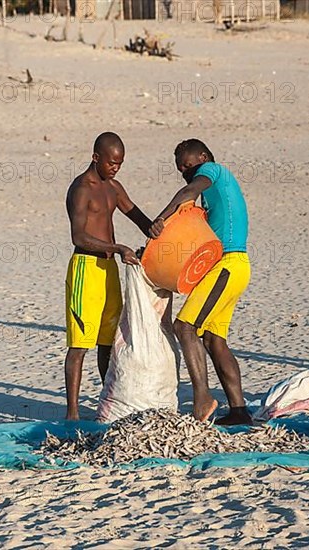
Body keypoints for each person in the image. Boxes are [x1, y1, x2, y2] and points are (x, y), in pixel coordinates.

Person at [149, 139, 252, 425]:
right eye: (180, 168)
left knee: (185, 326)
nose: (185, 172)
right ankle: (239, 411)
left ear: (203, 157)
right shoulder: (215, 193)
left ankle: (203, 398)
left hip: (228, 266)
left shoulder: (213, 171)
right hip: (234, 267)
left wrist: (159, 218)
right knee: (213, 338)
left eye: (188, 165)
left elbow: (188, 191)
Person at [65, 132, 152, 420]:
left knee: (107, 342)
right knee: (80, 345)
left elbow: (139, 218)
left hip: (109, 270)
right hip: (86, 270)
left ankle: (107, 401)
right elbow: (78, 237)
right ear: (96, 158)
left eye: (120, 163)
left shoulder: (113, 187)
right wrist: (117, 247)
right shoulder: (81, 189)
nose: (116, 168)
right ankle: (73, 413)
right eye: (112, 163)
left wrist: (163, 230)